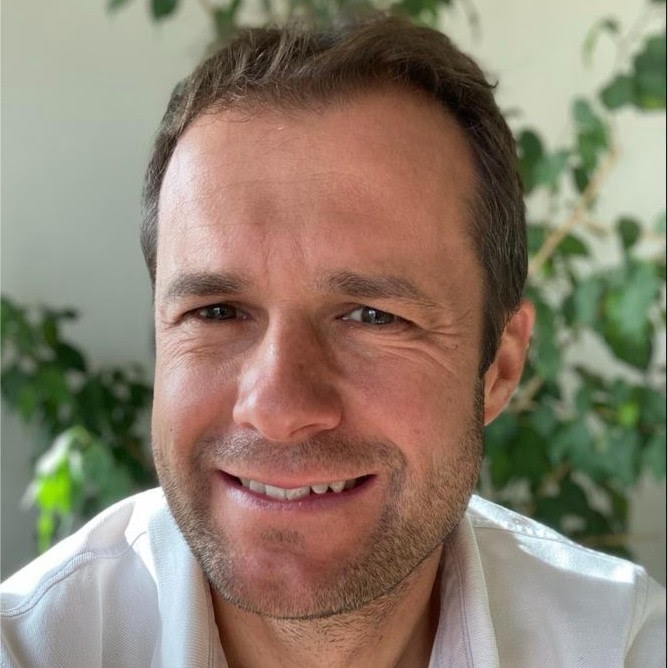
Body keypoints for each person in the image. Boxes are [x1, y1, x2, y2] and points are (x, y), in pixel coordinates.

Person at [1, 14, 665, 668]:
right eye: (217, 311)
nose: (277, 409)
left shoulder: (621, 646)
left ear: (500, 366)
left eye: (373, 316)